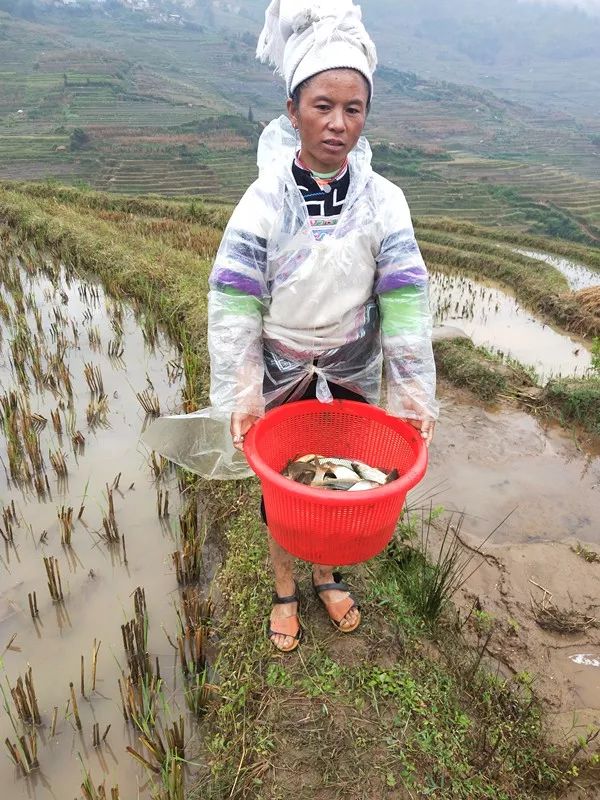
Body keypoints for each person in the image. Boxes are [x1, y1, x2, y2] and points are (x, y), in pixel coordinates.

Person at [207, 0, 438, 652]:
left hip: (350, 364)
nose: (338, 124)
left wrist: (414, 393)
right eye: (322, 106)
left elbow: (403, 299)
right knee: (284, 487)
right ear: (292, 110)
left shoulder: (384, 201)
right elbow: (234, 301)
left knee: (338, 479)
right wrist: (244, 387)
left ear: (366, 116)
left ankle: (328, 573)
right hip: (281, 368)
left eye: (353, 109)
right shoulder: (264, 201)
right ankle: (287, 588)